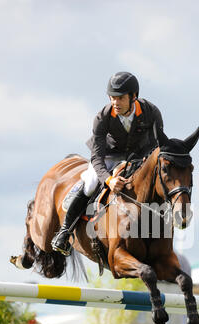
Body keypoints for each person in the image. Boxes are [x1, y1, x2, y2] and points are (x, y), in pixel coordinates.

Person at [51, 71, 164, 256]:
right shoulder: (102, 117)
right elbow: (96, 157)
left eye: (120, 98)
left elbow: (157, 145)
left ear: (133, 96)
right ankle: (64, 231)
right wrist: (109, 180)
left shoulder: (151, 112)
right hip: (107, 157)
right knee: (89, 184)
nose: (115, 102)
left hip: (138, 157)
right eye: (112, 97)